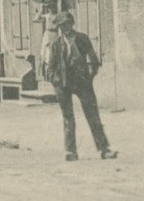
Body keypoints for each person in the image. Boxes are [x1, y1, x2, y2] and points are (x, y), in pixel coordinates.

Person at [43, 11, 118, 161]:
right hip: (63, 83)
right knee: (68, 117)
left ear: (72, 24)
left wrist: (89, 77)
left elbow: (94, 60)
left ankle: (104, 150)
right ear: (59, 28)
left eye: (68, 24)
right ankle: (70, 151)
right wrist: (55, 82)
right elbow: (50, 68)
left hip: (82, 82)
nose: (65, 28)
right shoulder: (56, 44)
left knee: (93, 116)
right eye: (62, 26)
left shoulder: (83, 39)